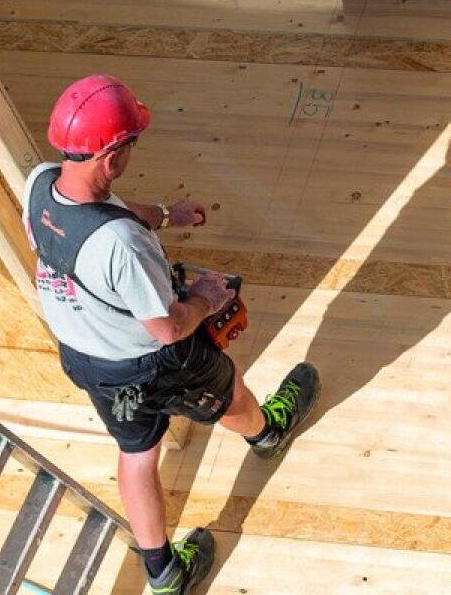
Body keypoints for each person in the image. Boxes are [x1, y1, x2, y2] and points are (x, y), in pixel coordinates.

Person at [26, 74, 319, 595]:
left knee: (136, 454)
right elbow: (167, 327)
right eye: (130, 144)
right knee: (227, 388)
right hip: (153, 361)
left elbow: (108, 208)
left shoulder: (41, 184)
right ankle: (266, 433)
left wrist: (166, 215)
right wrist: (208, 296)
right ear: (112, 154)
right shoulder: (121, 248)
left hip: (87, 358)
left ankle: (163, 575)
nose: (132, 154)